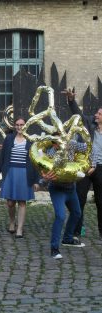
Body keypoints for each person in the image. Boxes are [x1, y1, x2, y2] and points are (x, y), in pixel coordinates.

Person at [63, 88, 102, 239]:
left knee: (101, 201)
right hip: (86, 165)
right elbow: (77, 114)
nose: (96, 115)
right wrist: (71, 100)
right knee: (79, 199)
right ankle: (77, 230)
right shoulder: (90, 124)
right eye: (97, 113)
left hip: (100, 168)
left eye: (99, 114)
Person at [0, 117, 39, 238]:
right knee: (10, 202)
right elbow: (2, 158)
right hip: (11, 173)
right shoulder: (9, 139)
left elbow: (35, 162)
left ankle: (20, 229)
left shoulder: (31, 140)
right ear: (14, 126)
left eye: (22, 124)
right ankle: (12, 222)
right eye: (17, 125)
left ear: (25, 125)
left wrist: (36, 181)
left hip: (25, 174)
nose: (19, 127)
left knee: (22, 202)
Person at [41, 138, 87, 259]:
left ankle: (67, 238)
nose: (60, 143)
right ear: (54, 143)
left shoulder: (71, 144)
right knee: (60, 216)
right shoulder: (52, 152)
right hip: (57, 190)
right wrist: (44, 180)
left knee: (76, 213)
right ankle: (54, 249)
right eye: (56, 142)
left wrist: (90, 163)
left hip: (71, 188)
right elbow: (44, 170)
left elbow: (88, 147)